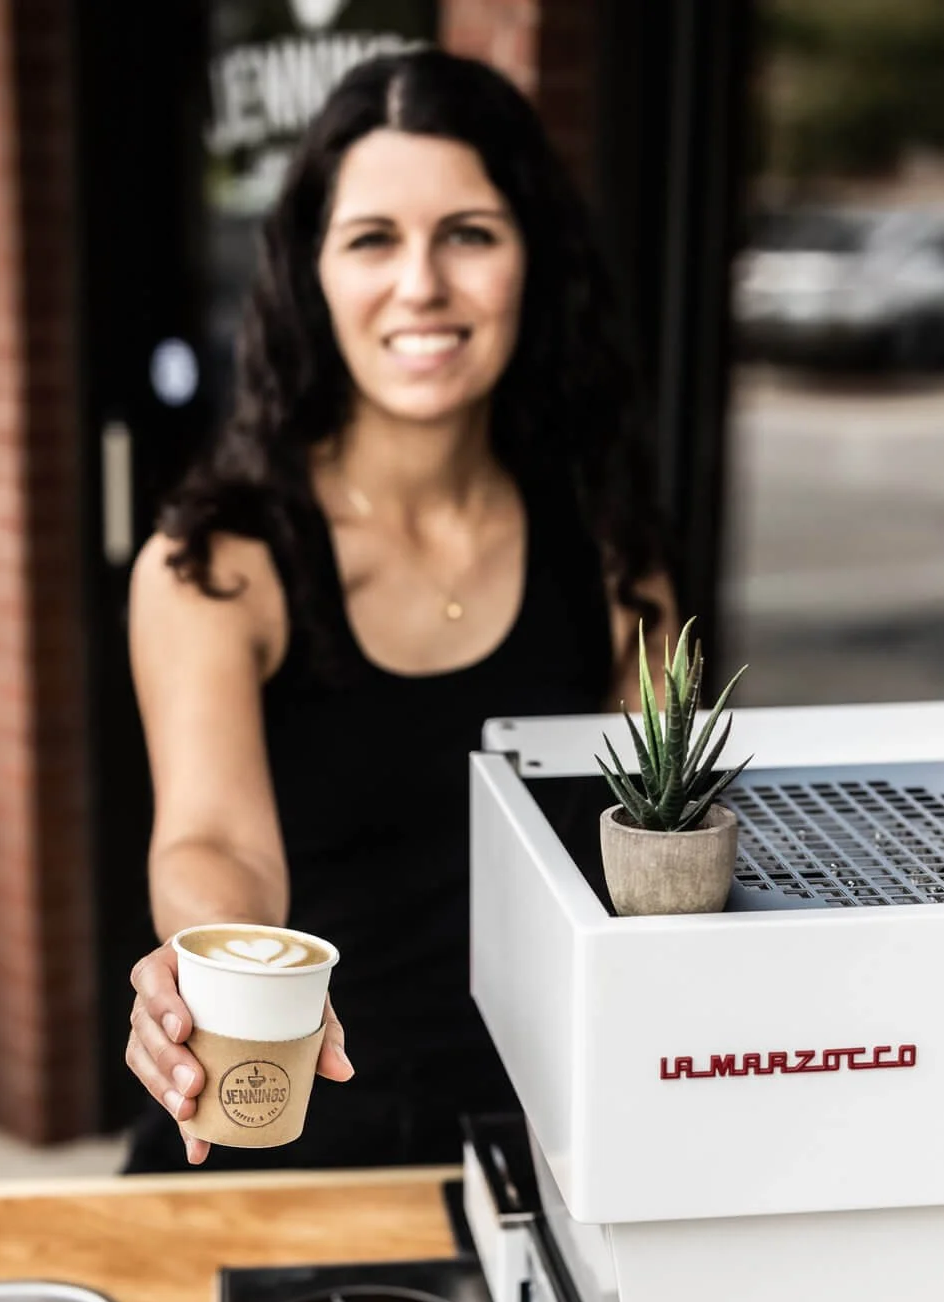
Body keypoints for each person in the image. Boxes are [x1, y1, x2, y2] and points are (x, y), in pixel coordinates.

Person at [124, 48, 676, 1173]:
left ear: (533, 259)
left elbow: (665, 857)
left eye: (469, 232)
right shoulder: (217, 561)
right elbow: (216, 838)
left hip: (539, 1156)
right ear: (309, 274)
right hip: (272, 1124)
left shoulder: (615, 556)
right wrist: (212, 965)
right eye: (372, 238)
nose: (420, 283)